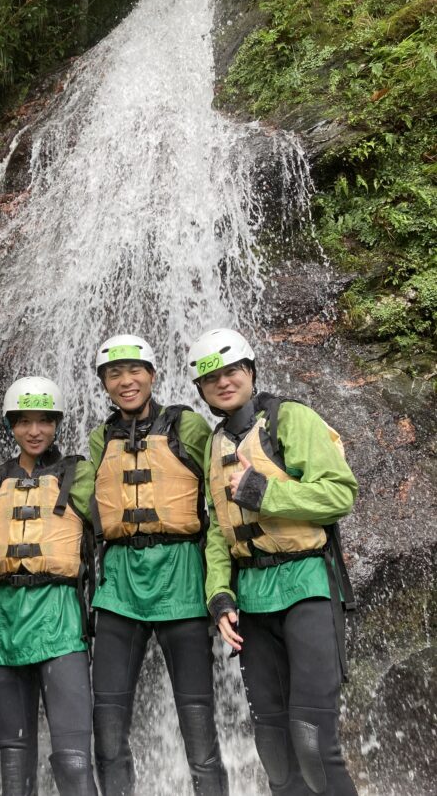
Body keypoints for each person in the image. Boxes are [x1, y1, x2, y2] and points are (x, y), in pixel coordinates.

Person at [188, 327, 359, 796]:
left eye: (233, 372)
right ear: (201, 390)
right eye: (212, 378)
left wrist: (266, 492)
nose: (224, 382)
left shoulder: (290, 419)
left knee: (311, 741)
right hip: (251, 602)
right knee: (274, 748)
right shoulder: (215, 445)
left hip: (307, 587)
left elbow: (339, 493)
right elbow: (220, 533)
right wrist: (218, 595)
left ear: (250, 371)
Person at [89, 334, 229, 796]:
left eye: (134, 371)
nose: (125, 381)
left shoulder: (187, 428)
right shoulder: (99, 438)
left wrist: (220, 587)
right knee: (108, 729)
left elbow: (218, 503)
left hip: (182, 585)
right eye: (114, 374)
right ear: (104, 384)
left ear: (152, 375)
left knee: (198, 727)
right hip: (119, 590)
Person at [0, 376, 98, 796]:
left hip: (60, 620)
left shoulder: (79, 473)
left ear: (56, 425)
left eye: (44, 421)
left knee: (72, 760)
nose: (34, 431)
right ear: (11, 426)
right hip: (2, 627)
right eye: (24, 422)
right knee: (14, 759)